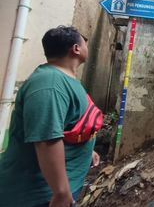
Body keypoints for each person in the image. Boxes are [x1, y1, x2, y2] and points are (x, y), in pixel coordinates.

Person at [0, 26, 101, 207]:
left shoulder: (65, 80)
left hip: (61, 187)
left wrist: (86, 150)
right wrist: (61, 192)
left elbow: (69, 124)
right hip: (40, 195)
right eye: (84, 42)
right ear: (76, 49)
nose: (87, 45)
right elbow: (47, 139)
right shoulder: (50, 84)